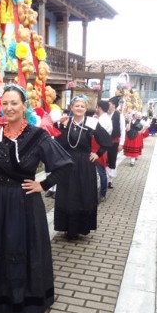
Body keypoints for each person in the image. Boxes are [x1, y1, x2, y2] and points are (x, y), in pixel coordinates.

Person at [0, 84, 73, 313]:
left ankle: (24, 300)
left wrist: (43, 185)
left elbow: (65, 165)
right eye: (5, 103)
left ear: (24, 106)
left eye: (14, 103)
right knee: (0, 248)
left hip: (24, 203)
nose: (9, 108)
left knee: (23, 249)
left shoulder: (37, 135)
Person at [54, 95, 113, 240]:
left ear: (86, 109)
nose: (79, 108)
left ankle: (81, 227)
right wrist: (60, 126)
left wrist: (97, 154)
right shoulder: (65, 122)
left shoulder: (92, 122)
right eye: (76, 106)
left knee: (82, 194)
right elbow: (57, 140)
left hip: (84, 164)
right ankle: (67, 228)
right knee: (67, 195)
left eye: (82, 106)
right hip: (67, 163)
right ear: (71, 107)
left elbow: (106, 140)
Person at [94, 100, 113, 202]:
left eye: (96, 107)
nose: (95, 109)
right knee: (100, 172)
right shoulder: (103, 118)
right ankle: (101, 193)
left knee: (101, 172)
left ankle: (102, 193)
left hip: (99, 148)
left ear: (99, 108)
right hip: (98, 147)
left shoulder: (103, 120)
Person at [106, 96, 126, 189]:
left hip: (114, 141)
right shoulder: (105, 114)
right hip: (104, 141)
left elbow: (122, 130)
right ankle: (105, 177)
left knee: (112, 159)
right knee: (104, 159)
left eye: (109, 104)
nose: (108, 105)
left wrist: (121, 143)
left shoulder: (119, 116)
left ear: (114, 105)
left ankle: (110, 180)